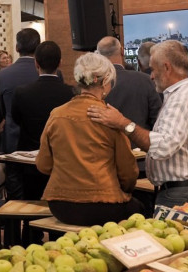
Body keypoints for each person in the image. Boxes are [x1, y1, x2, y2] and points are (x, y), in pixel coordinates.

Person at [87, 40, 188, 208]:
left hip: (184, 193)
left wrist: (122, 122)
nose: (152, 75)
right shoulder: (181, 95)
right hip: (187, 190)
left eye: (154, 69)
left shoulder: (182, 99)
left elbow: (163, 147)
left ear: (167, 67)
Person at [36, 53, 140, 225]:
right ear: (106, 83)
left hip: (60, 205)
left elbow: (43, 165)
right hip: (103, 204)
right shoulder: (110, 118)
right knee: (141, 209)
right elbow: (127, 173)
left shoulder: (57, 114)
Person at [11, 41, 74, 205]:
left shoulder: (22, 93)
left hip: (30, 161)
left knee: (31, 206)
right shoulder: (72, 93)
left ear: (36, 63)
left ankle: (31, 231)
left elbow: (16, 120)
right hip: (63, 161)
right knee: (59, 208)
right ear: (60, 63)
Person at [0, 28, 42, 202]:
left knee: (15, 193)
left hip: (13, 140)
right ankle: (35, 229)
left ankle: (13, 229)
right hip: (41, 142)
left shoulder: (4, 74)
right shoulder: (49, 72)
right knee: (39, 194)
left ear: (16, 47)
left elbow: (3, 110)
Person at [97, 37, 162, 139]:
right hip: (140, 149)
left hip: (105, 150)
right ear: (122, 51)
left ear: (98, 55)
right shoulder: (145, 80)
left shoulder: (94, 85)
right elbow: (158, 121)